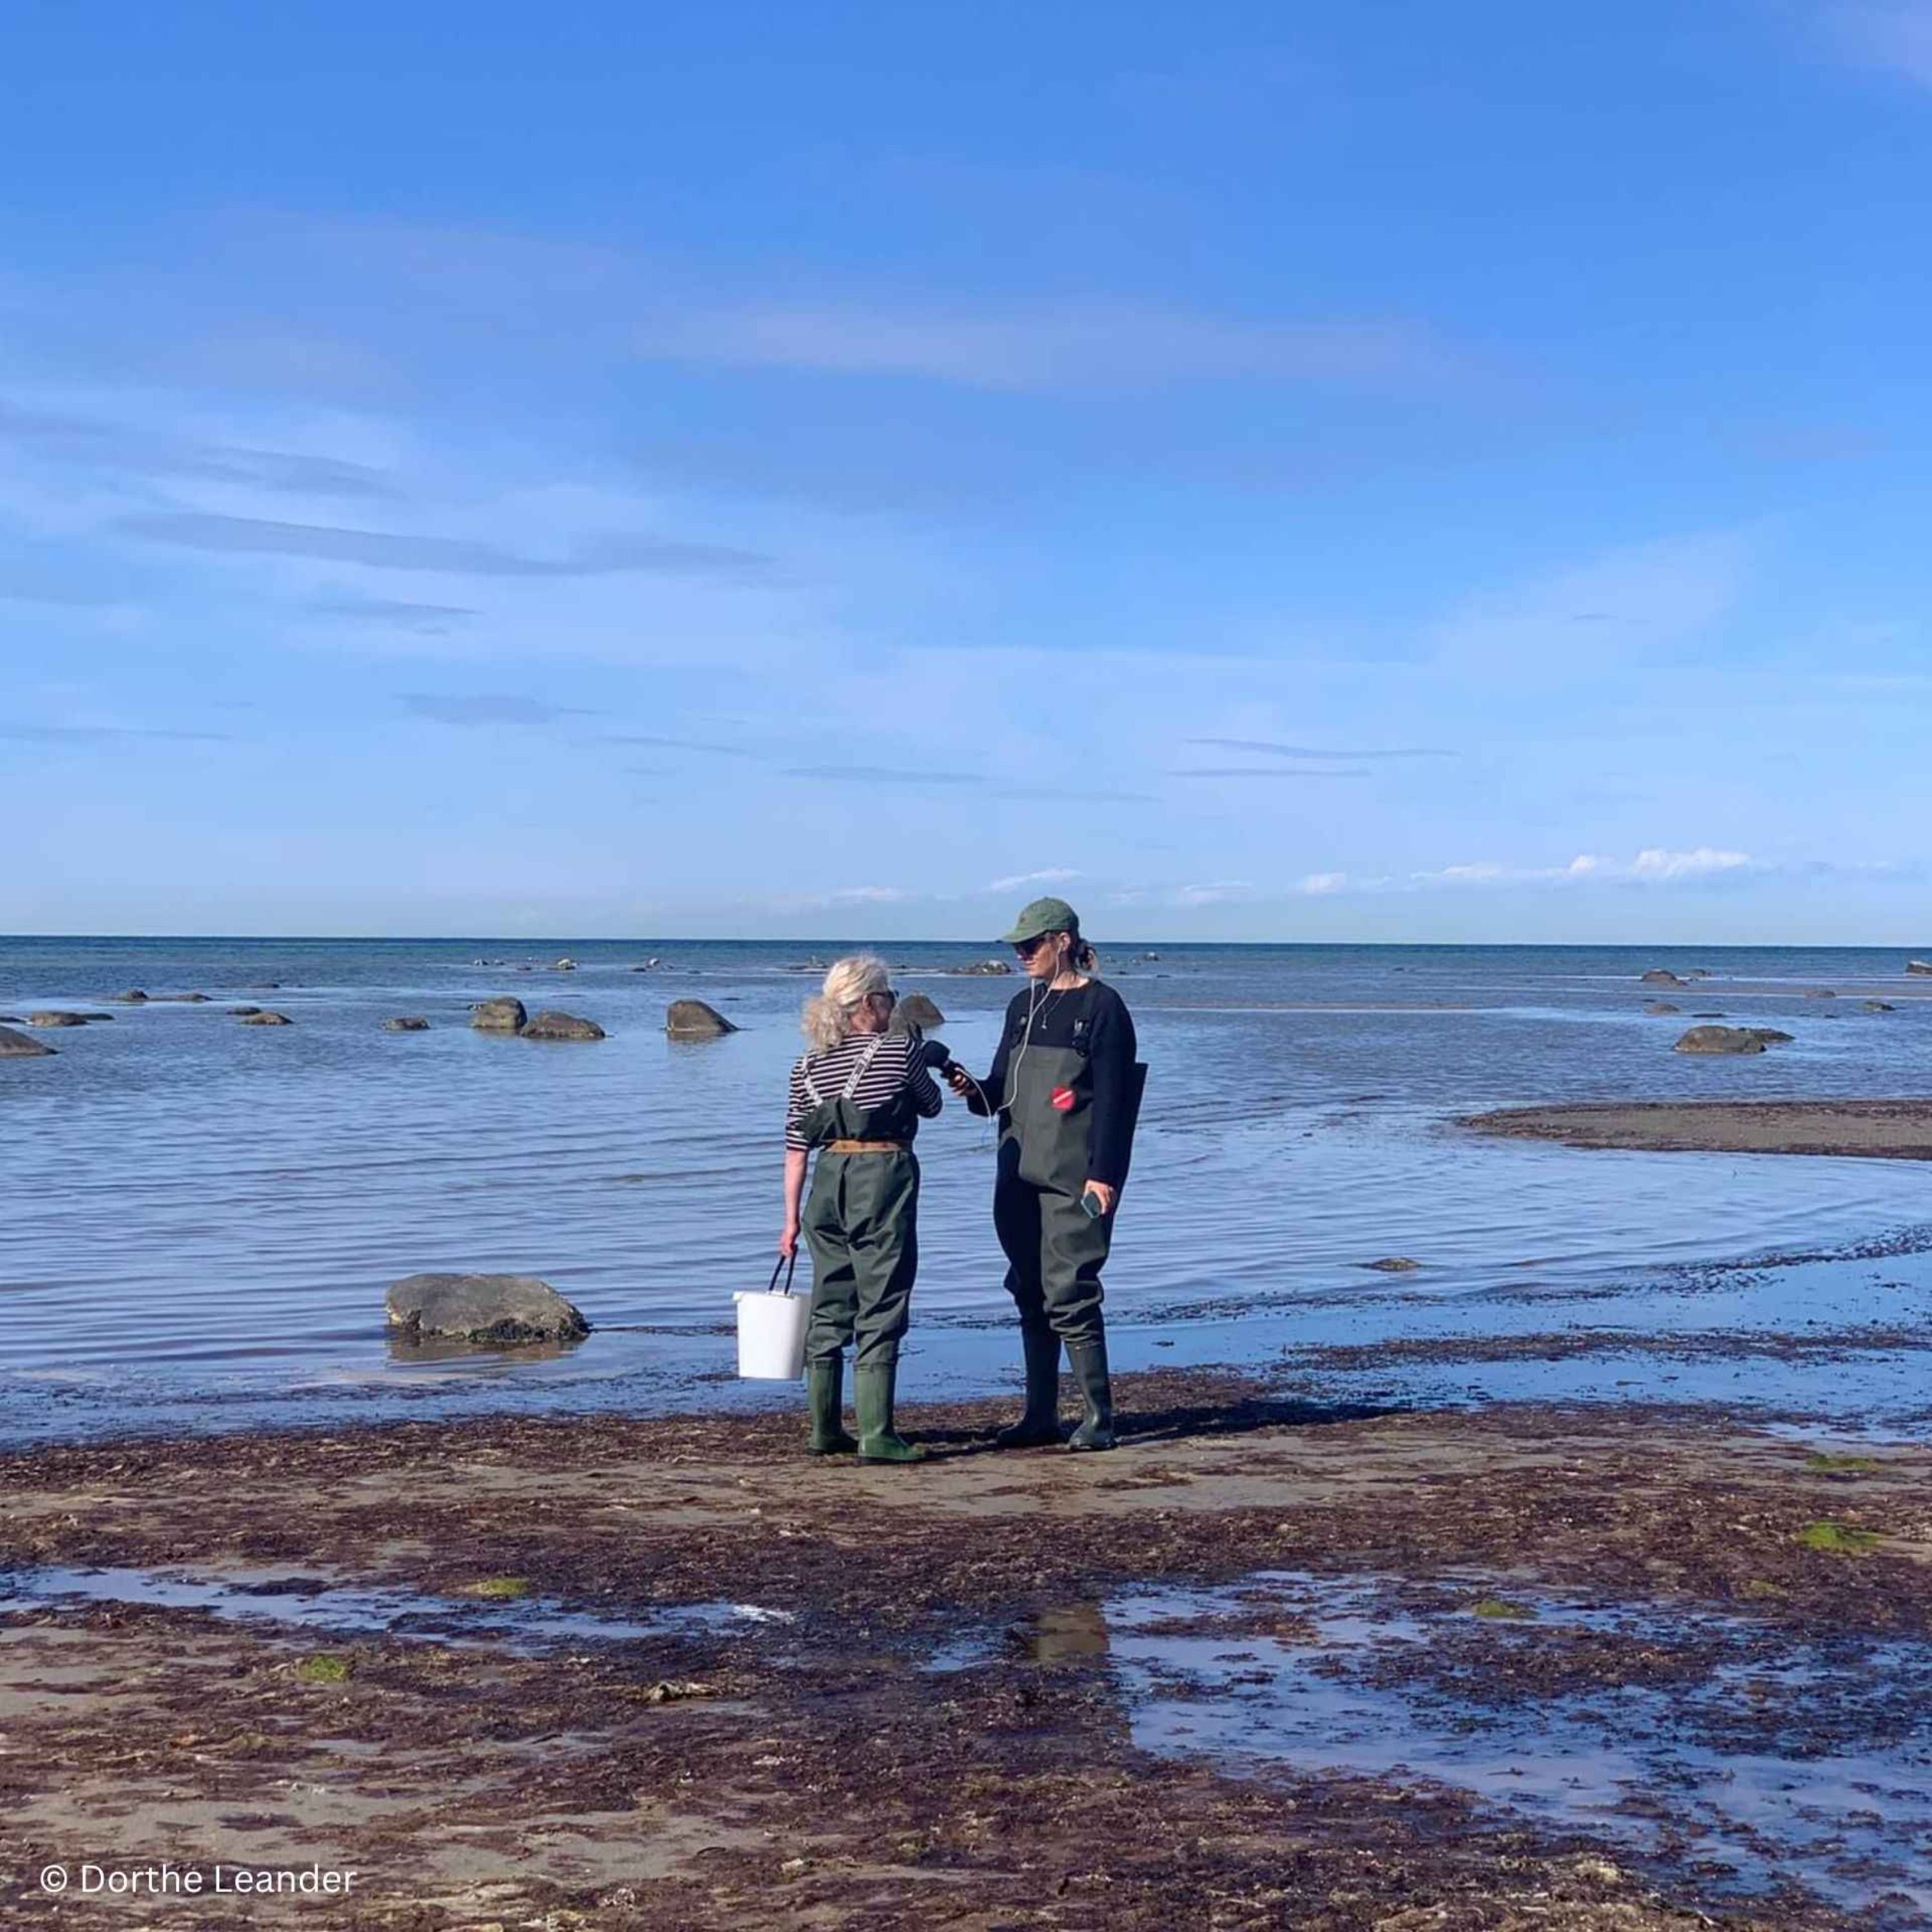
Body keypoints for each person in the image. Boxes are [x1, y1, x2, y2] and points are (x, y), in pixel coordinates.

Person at [949, 897, 1142, 1451]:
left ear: (1064, 941)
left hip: (1075, 1178)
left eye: (1030, 945)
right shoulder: (1021, 1006)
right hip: (1016, 1175)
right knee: (1029, 1291)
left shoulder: (1104, 1007)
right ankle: (1039, 1416)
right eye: (1016, 946)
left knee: (1071, 1292)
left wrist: (1104, 1176)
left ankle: (1099, 1419)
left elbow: (1112, 1100)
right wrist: (969, 1089)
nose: (1021, 954)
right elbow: (996, 1094)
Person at [780, 954, 943, 1464]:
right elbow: (932, 1104)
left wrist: (789, 1222)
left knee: (831, 1304)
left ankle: (824, 1429)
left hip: (826, 1184)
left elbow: (794, 1147)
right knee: (883, 1299)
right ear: (871, 1002)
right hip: (882, 1178)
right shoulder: (896, 1051)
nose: (892, 1006)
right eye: (889, 997)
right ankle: (877, 1434)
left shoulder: (806, 1064)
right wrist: (925, 1056)